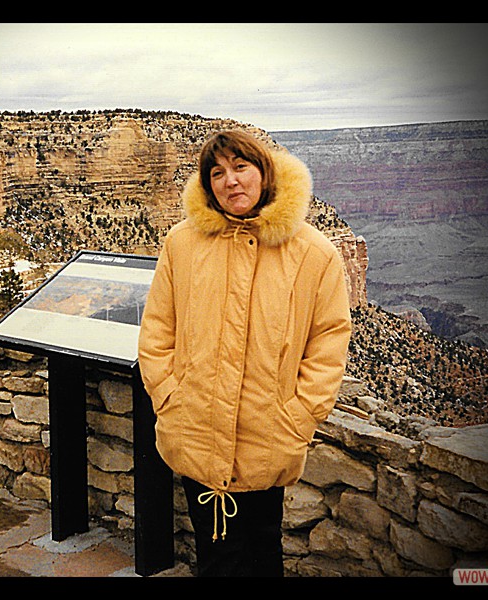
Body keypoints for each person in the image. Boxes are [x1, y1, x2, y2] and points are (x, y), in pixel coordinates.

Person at [137, 130, 352, 577]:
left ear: (264, 173)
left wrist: (298, 417)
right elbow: (157, 328)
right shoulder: (182, 244)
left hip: (268, 438)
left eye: (241, 167)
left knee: (262, 554)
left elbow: (328, 341)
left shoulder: (315, 254)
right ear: (206, 184)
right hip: (196, 430)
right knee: (216, 559)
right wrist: (170, 399)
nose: (230, 181)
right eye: (217, 172)